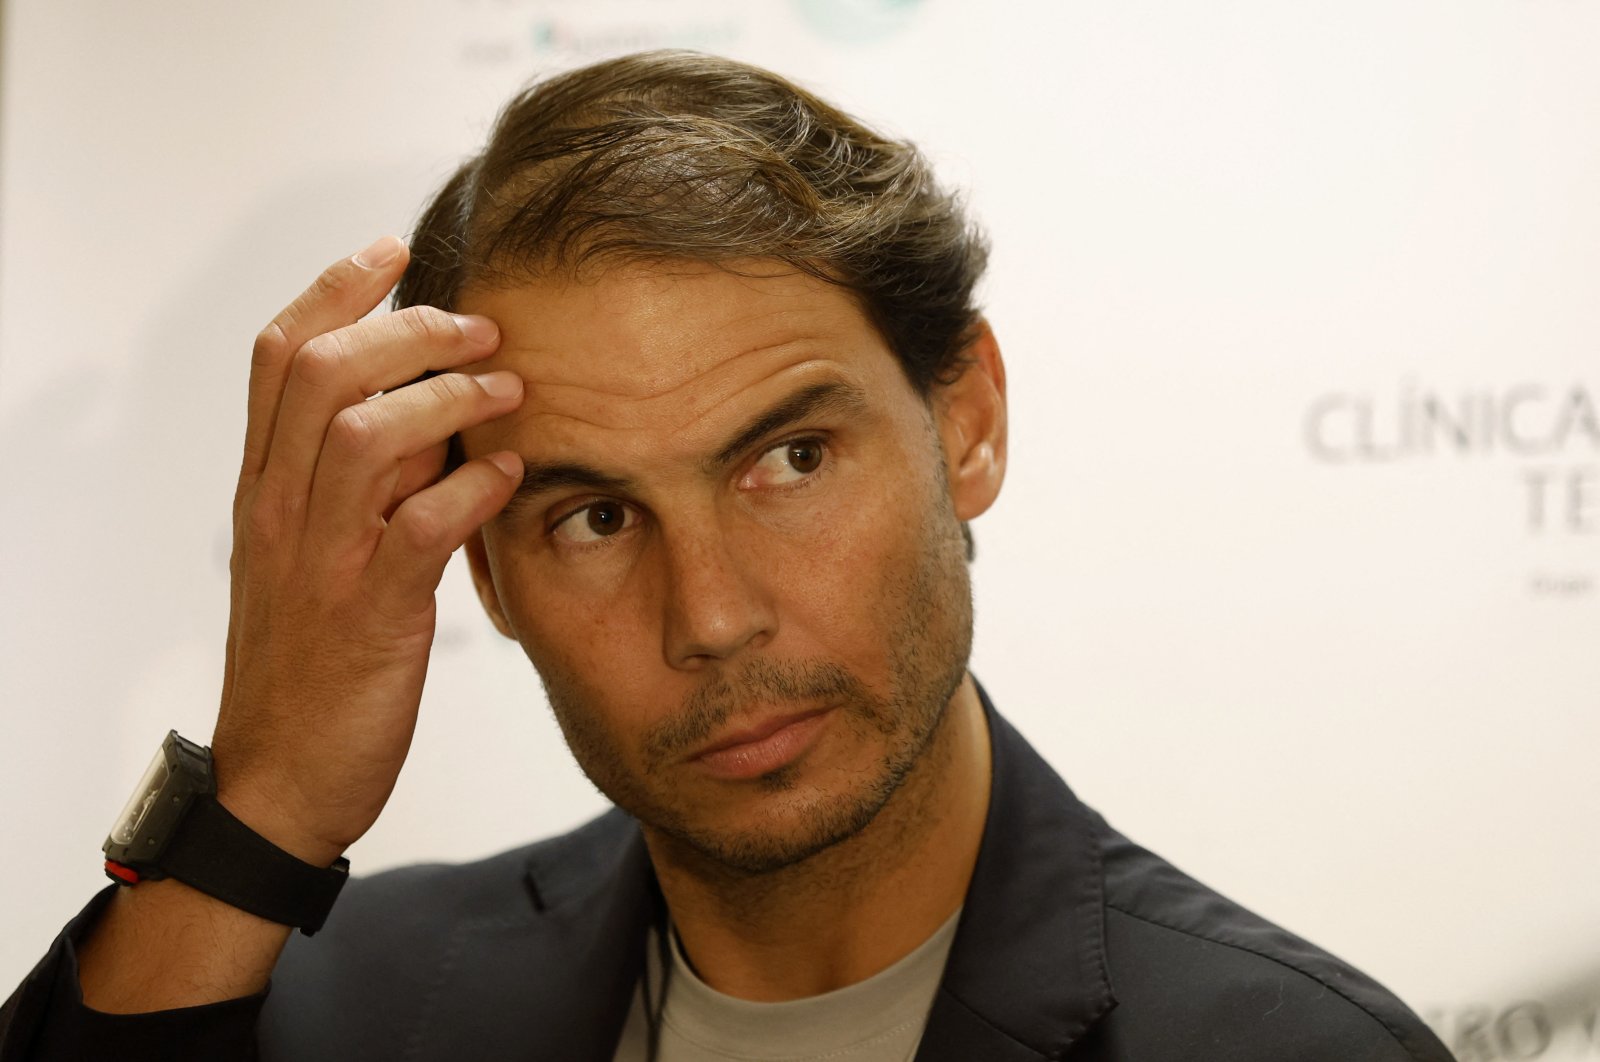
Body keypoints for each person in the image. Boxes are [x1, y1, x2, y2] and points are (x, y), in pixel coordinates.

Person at [0, 51, 1453, 1062]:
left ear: (971, 422)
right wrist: (260, 812)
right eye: (594, 516)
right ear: (486, 576)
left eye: (790, 459)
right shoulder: (335, 1001)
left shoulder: (1292, 1042)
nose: (710, 615)